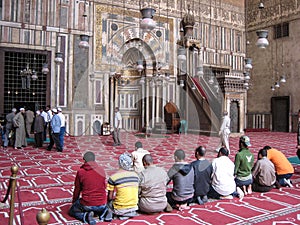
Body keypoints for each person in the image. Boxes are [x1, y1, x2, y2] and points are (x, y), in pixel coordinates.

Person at [69, 152, 107, 225]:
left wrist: (74, 202)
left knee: (72, 211)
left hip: (87, 204)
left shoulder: (81, 172)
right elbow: (103, 186)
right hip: (102, 203)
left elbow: (77, 189)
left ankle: (85, 216)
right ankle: (104, 213)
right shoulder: (101, 170)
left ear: (84, 160)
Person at [105, 153, 139, 221]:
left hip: (119, 209)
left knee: (107, 203)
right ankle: (128, 213)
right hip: (134, 207)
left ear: (120, 163)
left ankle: (112, 213)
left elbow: (110, 197)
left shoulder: (113, 177)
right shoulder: (136, 176)